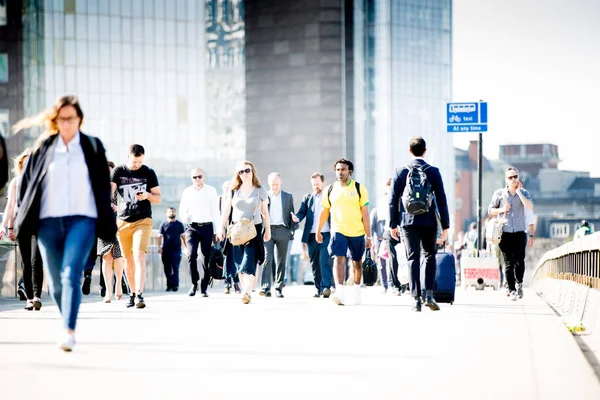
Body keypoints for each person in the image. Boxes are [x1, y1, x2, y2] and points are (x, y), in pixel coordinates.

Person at [13, 95, 116, 351]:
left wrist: (106, 219)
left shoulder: (92, 146)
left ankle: (68, 330)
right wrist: (23, 217)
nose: (67, 123)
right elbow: (29, 183)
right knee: (57, 283)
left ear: (79, 119)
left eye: (71, 118)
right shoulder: (45, 147)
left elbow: (103, 185)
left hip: (83, 220)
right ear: (55, 120)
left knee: (71, 274)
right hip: (48, 223)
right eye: (62, 119)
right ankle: (66, 316)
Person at [389, 137, 450, 312]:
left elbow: (393, 200)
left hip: (408, 222)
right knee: (430, 256)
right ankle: (429, 295)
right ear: (425, 151)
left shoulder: (400, 171)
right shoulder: (433, 172)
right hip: (429, 220)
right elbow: (442, 200)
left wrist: (393, 224)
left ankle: (415, 299)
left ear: (410, 151)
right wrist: (445, 226)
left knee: (412, 258)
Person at [111, 144, 162, 309]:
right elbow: (109, 192)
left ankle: (140, 294)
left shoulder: (148, 172)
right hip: (123, 222)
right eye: (134, 162)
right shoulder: (118, 172)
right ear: (128, 157)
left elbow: (158, 198)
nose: (137, 165)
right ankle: (132, 293)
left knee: (139, 256)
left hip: (143, 221)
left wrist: (147, 195)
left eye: (140, 162)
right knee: (129, 260)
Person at [316, 158, 371, 306]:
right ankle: (339, 292)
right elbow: (324, 211)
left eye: (343, 169)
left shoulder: (359, 188)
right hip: (338, 229)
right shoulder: (330, 189)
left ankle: (357, 290)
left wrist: (369, 235)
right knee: (338, 259)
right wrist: (318, 230)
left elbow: (365, 213)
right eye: (338, 170)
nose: (340, 172)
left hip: (357, 231)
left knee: (356, 263)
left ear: (350, 171)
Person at [217, 161, 270, 304]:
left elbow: (265, 212)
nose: (244, 174)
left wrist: (268, 230)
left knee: (249, 261)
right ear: (237, 174)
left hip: (254, 229)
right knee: (240, 263)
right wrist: (221, 228)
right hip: (236, 231)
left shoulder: (260, 190)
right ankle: (246, 288)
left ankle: (246, 292)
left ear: (252, 171)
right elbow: (226, 210)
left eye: (247, 170)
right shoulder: (234, 190)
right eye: (241, 172)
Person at [0, 148, 45, 311]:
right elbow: (10, 206)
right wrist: (4, 226)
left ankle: (37, 296)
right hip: (21, 226)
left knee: (36, 261)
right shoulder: (16, 182)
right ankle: (29, 299)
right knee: (26, 263)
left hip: (39, 225)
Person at [488, 167, 533, 301]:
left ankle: (519, 283)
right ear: (506, 180)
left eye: (515, 176)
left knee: (519, 261)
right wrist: (502, 209)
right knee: (508, 263)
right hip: (505, 232)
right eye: (510, 177)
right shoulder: (499, 194)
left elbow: (529, 206)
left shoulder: (524, 193)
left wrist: (518, 192)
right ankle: (512, 289)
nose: (513, 179)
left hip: (520, 232)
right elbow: (490, 210)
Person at [178, 168, 220, 297]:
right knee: (191, 255)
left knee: (206, 257)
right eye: (194, 177)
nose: (197, 179)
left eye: (199, 176)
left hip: (207, 227)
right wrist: (186, 218)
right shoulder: (187, 192)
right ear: (191, 179)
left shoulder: (211, 190)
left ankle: (204, 287)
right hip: (192, 228)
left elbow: (215, 212)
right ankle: (194, 283)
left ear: (203, 177)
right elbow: (182, 210)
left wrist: (218, 231)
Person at [292, 172, 334, 298]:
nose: (316, 186)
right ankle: (318, 289)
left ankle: (326, 287)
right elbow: (301, 212)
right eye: (313, 184)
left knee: (324, 260)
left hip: (326, 234)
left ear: (323, 182)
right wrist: (297, 218)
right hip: (311, 236)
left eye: (317, 184)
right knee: (315, 263)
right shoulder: (308, 197)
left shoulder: (329, 196)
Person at [260, 172, 295, 298]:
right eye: (272, 184)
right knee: (267, 259)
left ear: (280, 183)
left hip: (283, 230)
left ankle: (279, 287)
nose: (274, 187)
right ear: (269, 184)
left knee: (281, 261)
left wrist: (291, 230)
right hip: (268, 231)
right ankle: (265, 287)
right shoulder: (264, 196)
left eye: (276, 184)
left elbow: (291, 214)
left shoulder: (288, 196)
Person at [96, 161, 125, 302]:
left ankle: (118, 284)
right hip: (104, 224)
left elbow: (127, 203)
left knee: (118, 256)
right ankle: (108, 291)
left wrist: (117, 208)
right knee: (106, 257)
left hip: (119, 223)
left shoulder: (119, 186)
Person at [220, 180, 241, 294]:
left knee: (233, 257)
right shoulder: (219, 200)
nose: (227, 189)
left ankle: (235, 282)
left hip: (234, 232)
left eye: (229, 187)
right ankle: (228, 283)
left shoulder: (235, 200)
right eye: (225, 187)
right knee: (225, 258)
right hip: (223, 233)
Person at [158, 207, 185, 292]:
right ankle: (169, 285)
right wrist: (159, 247)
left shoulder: (179, 225)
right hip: (166, 250)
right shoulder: (163, 224)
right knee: (167, 268)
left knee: (175, 267)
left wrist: (187, 247)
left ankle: (175, 285)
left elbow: (183, 237)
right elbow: (159, 236)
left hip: (176, 250)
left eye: (173, 212)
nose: (171, 213)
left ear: (175, 213)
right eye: (170, 212)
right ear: (166, 213)